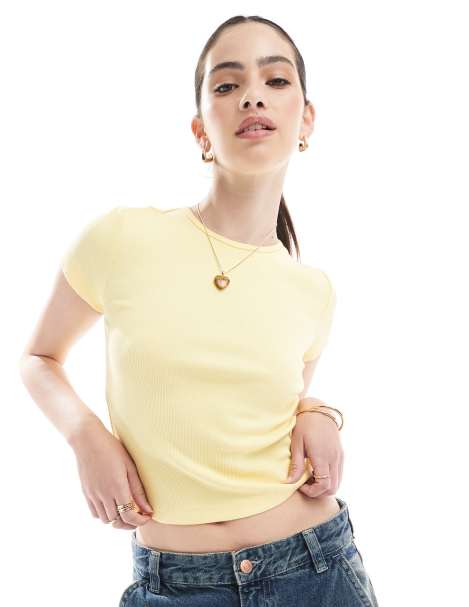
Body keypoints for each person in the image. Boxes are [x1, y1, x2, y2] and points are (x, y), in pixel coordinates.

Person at [19, 14, 380, 607]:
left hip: (314, 569)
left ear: (306, 120)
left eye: (276, 80)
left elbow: (269, 402)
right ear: (200, 130)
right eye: (227, 84)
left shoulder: (312, 290)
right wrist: (86, 436)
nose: (253, 96)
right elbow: (39, 358)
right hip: (175, 583)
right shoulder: (123, 238)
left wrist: (319, 412)